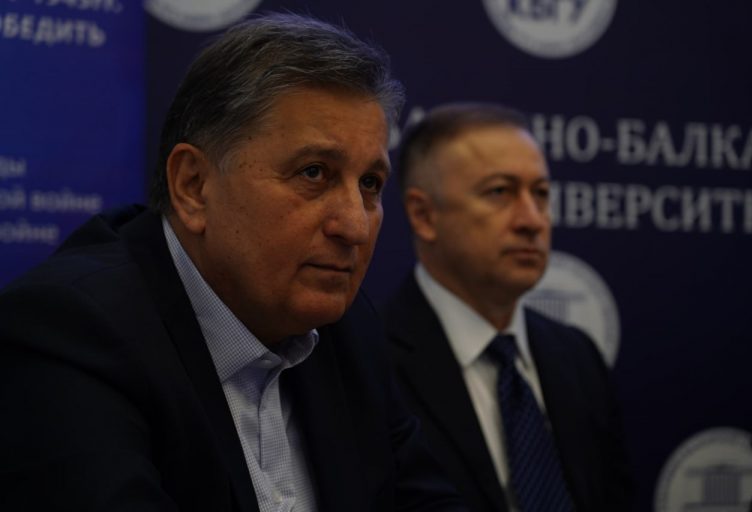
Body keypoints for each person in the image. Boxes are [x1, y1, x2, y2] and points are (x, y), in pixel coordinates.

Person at [0, 14, 468, 512]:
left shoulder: (346, 332)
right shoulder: (71, 333)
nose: (354, 225)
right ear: (194, 186)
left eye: (370, 184)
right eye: (314, 173)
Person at [381, 102, 633, 511]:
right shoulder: (370, 361)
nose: (532, 221)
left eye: (541, 194)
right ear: (423, 215)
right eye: (500, 192)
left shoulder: (577, 357)